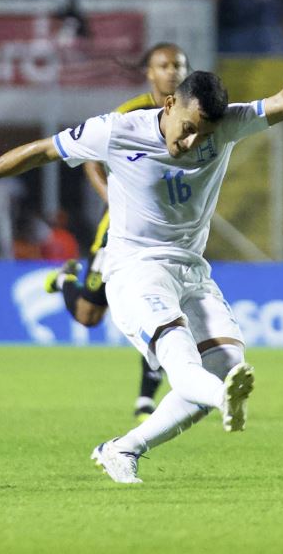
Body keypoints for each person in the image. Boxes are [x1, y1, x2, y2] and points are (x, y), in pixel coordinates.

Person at [0, 19, 283, 484]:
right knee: (189, 372)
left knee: (227, 365)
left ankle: (123, 448)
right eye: (187, 129)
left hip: (192, 272)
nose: (192, 143)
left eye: (203, 135)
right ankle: (223, 398)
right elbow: (44, 150)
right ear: (168, 104)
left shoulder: (223, 125)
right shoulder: (117, 130)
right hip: (135, 270)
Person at [44, 42, 189, 422]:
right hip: (121, 229)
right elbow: (92, 156)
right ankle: (67, 279)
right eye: (164, 65)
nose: (172, 71)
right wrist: (112, 196)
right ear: (149, 72)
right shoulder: (131, 112)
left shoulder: (194, 109)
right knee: (88, 317)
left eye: (178, 65)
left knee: (162, 307)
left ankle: (145, 399)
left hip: (170, 229)